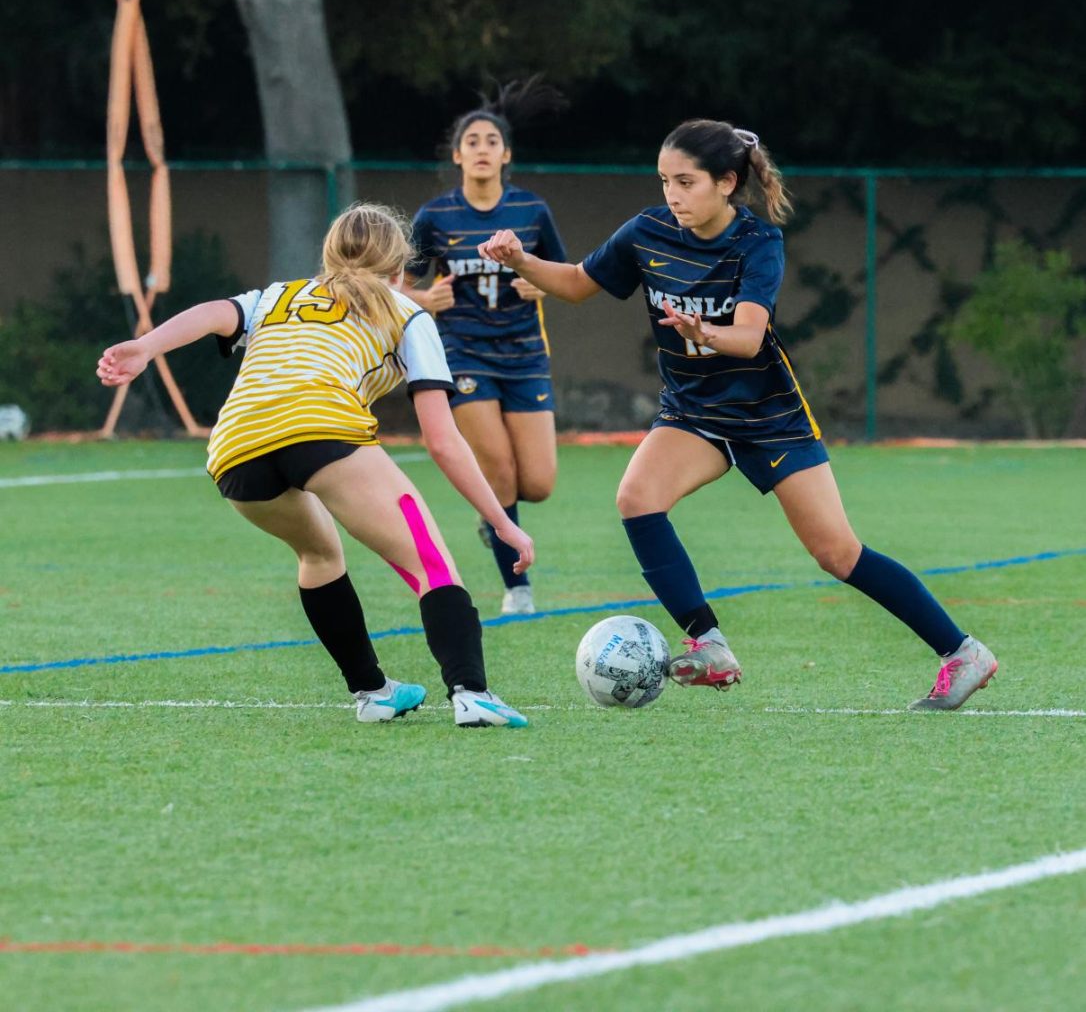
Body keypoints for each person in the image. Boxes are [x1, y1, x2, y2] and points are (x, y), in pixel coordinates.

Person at [479, 119, 999, 712]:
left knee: (839, 554)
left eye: (685, 181)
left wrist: (706, 331)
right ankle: (708, 642)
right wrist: (520, 259)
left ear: (726, 182)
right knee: (637, 499)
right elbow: (575, 284)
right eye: (664, 181)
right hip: (693, 412)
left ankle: (962, 652)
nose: (671, 194)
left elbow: (750, 338)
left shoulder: (758, 241)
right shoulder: (646, 232)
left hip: (768, 415)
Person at [96, 202, 532, 728]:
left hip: (234, 451)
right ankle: (472, 694)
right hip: (320, 431)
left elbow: (214, 312)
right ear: (400, 270)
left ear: (329, 256)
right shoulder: (406, 312)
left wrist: (145, 347)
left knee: (319, 554)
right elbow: (442, 441)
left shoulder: (278, 295)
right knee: (432, 567)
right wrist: (503, 522)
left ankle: (372, 692)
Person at [403, 77, 567, 618]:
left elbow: (565, 275)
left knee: (537, 484)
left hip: (524, 355)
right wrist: (426, 299)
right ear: (457, 155)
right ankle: (517, 589)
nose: (481, 149)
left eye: (490, 142)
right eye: (471, 141)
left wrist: (538, 282)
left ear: (506, 155)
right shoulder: (435, 216)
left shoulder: (532, 211)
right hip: (464, 354)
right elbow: (396, 286)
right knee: (498, 473)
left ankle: (490, 518)